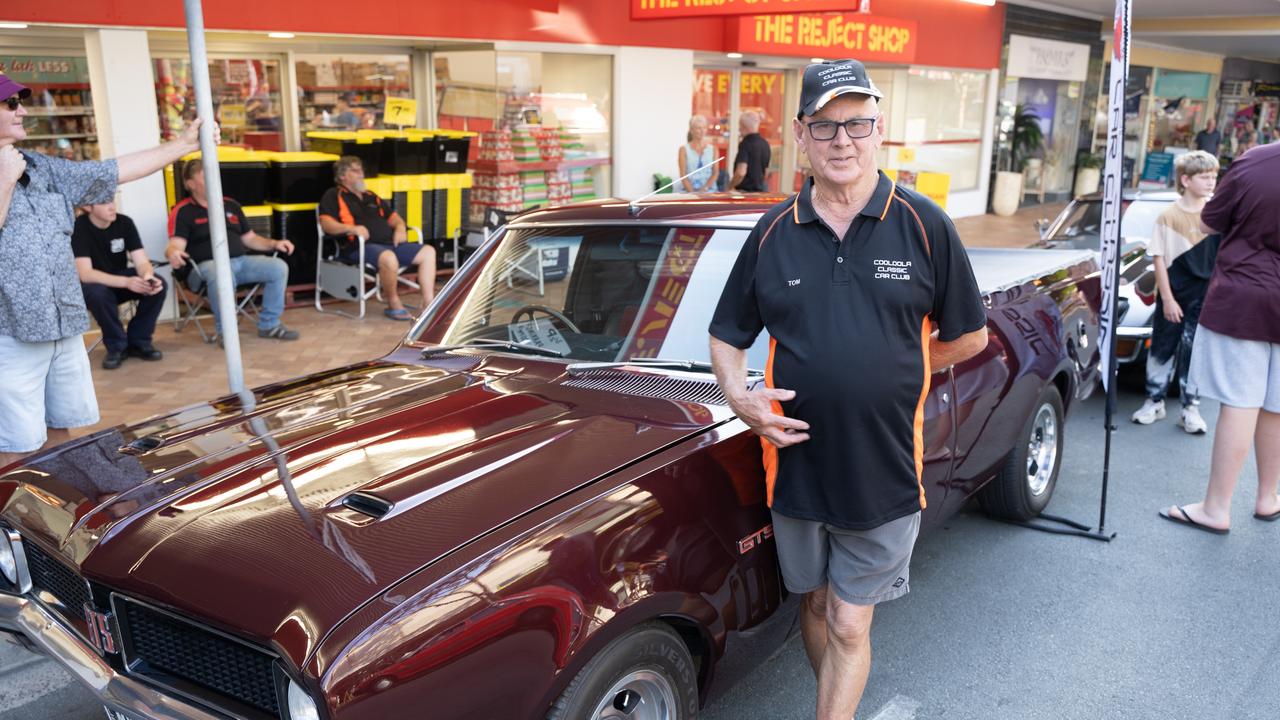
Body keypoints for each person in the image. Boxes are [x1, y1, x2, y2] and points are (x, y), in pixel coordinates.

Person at [707, 59, 988, 719]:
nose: (843, 140)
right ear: (801, 135)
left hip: (884, 464)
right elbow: (727, 334)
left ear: (878, 130)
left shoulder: (923, 224)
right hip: (796, 464)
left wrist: (901, 366)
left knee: (850, 619)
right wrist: (740, 398)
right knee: (815, 604)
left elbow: (970, 335)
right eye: (827, 126)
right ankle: (836, 698)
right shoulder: (774, 233)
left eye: (857, 124)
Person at [0, 72, 208, 468]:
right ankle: (10, 527)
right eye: (11, 104)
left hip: (64, 330)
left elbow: (114, 170)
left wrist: (182, 145)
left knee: (59, 434)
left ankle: (47, 518)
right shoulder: (11, 172)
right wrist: (5, 179)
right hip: (10, 337)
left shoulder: (42, 168)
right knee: (15, 446)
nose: (22, 110)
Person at [1159, 141, 1280, 534]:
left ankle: (1216, 507)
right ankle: (1268, 497)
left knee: (1241, 400)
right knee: (1276, 404)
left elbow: (1209, 221)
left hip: (1247, 293)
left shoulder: (1257, 160)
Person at [1130, 151, 1219, 433]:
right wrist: (1167, 298)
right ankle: (1154, 401)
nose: (1210, 181)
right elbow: (1157, 258)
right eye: (1204, 176)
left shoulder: (1216, 214)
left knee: (1196, 352)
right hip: (1174, 293)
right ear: (1186, 179)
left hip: (1206, 296)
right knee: (1162, 348)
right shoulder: (1169, 216)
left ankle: (1190, 407)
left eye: (1213, 176)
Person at [165, 159, 300, 342]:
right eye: (206, 177)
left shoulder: (231, 205)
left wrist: (274, 243)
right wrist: (173, 253)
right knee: (221, 273)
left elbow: (250, 239)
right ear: (190, 184)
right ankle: (225, 332)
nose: (214, 180)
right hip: (204, 269)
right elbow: (175, 245)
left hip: (240, 263)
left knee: (278, 266)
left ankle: (270, 324)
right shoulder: (183, 211)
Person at [318, 156, 436, 320]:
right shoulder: (333, 195)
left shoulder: (371, 196)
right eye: (355, 170)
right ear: (342, 175)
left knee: (428, 252)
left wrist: (401, 227)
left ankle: (429, 304)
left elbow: (393, 217)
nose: (361, 174)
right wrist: (351, 228)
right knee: (389, 258)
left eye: (361, 170)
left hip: (389, 243)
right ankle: (393, 303)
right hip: (358, 247)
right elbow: (326, 224)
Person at [72, 201, 167, 370]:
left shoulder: (124, 222)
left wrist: (147, 276)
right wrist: (127, 282)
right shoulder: (79, 227)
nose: (112, 206)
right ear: (87, 206)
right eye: (104, 202)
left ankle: (139, 341)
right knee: (98, 294)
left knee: (158, 286)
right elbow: (85, 274)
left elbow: (141, 261)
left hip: (121, 278)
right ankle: (117, 346)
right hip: (95, 284)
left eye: (112, 200)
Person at [730, 110, 771, 193]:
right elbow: (766, 172)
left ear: (744, 126)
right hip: (760, 193)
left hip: (744, 193)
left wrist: (730, 186)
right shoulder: (765, 144)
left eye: (740, 126)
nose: (739, 129)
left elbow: (741, 172)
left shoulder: (745, 144)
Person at [677, 115, 718, 192]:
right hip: (688, 192)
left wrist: (704, 189)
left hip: (709, 191)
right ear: (691, 130)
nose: (702, 131)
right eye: (699, 128)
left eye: (704, 128)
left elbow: (715, 173)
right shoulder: (683, 150)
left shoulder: (713, 149)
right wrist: (692, 194)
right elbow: (683, 175)